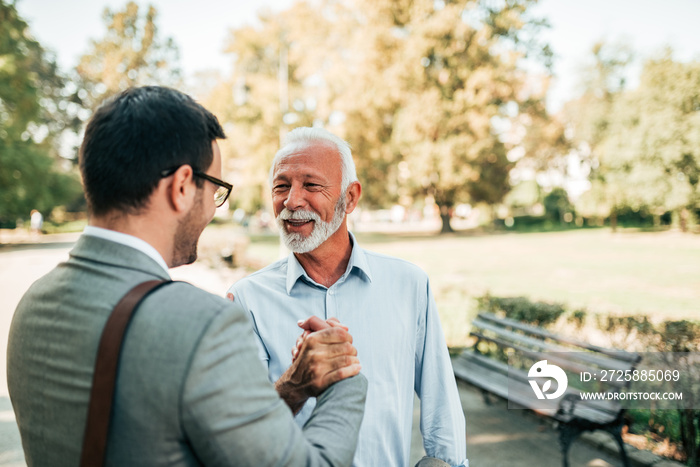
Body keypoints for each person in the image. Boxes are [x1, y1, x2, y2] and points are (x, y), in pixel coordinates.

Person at [7, 87, 367, 467]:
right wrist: (345, 379)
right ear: (181, 186)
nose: (213, 210)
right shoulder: (203, 324)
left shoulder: (32, 305)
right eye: (216, 190)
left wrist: (293, 386)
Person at [226, 127, 468, 467]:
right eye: (282, 186)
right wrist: (295, 384)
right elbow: (239, 434)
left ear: (350, 197)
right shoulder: (247, 299)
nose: (292, 201)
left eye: (311, 185)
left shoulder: (408, 284)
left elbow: (440, 404)